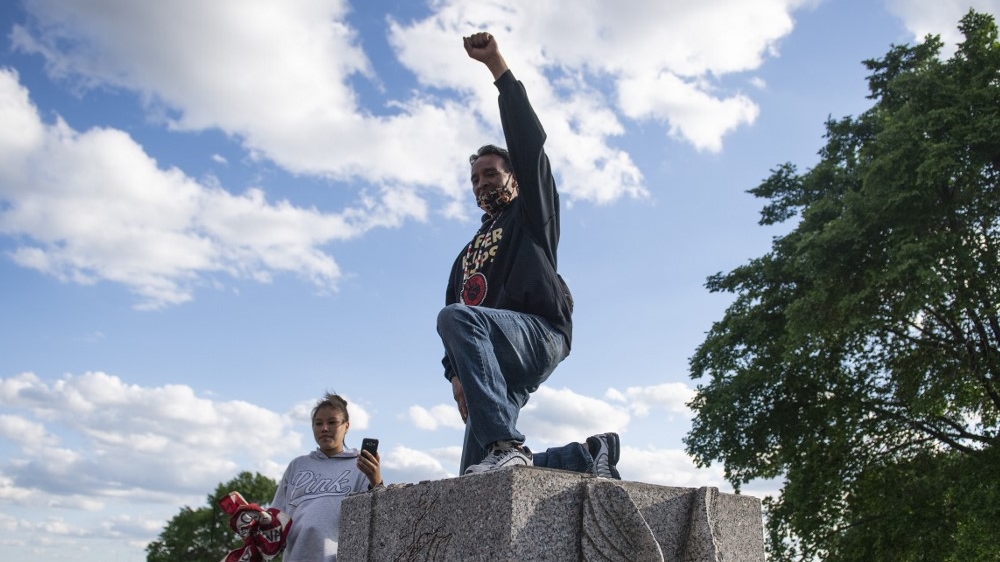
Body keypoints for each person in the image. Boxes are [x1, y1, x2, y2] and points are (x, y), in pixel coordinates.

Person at [437, 31, 620, 480]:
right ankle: (583, 456)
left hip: (539, 331)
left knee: (455, 318)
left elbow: (528, 145)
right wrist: (457, 376)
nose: (482, 183)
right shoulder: (464, 258)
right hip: (496, 363)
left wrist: (497, 68)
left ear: (515, 178)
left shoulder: (529, 214)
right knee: (475, 478)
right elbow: (456, 328)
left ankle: (505, 442)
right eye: (475, 179)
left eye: (491, 173)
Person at [271, 393, 382, 562]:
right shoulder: (297, 466)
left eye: (332, 422)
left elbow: (378, 518)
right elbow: (276, 517)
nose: (324, 428)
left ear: (346, 426)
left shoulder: (360, 466)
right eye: (318, 423)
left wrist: (376, 481)